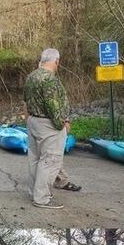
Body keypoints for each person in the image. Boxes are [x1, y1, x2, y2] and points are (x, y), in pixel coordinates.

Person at [22, 47, 81, 209]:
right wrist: (63, 123)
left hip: (33, 121)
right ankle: (42, 198)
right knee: (50, 161)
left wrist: (28, 120)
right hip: (48, 124)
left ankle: (34, 192)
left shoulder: (31, 77)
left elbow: (25, 101)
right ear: (56, 61)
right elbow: (54, 106)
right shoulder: (50, 80)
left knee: (34, 159)